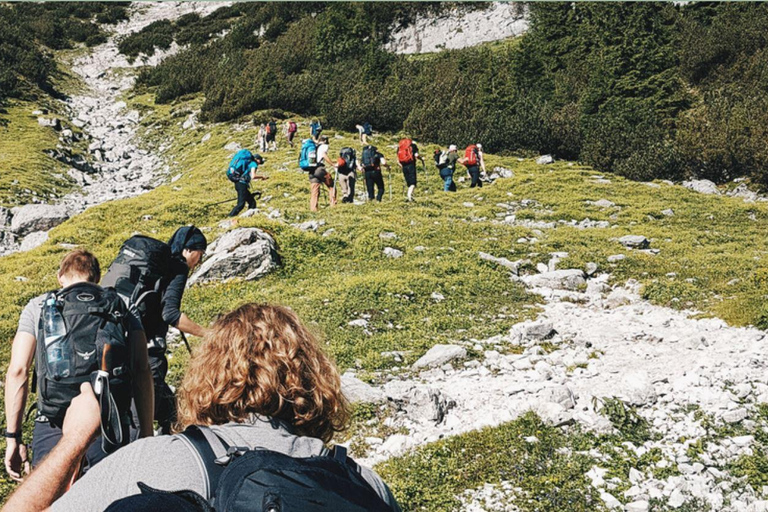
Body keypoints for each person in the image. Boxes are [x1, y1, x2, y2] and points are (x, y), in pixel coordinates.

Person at [8, 304, 401, 512]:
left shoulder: (153, 460)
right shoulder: (364, 483)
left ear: (207, 374)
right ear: (315, 377)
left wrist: (76, 438)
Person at [3, 250, 154, 482]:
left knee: (50, 499)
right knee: (106, 498)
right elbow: (142, 368)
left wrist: (13, 437)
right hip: (107, 422)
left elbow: (18, 371)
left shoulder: (39, 306)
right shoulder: (121, 304)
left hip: (53, 421)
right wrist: (146, 432)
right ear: (96, 278)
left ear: (60, 277)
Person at [227, 151, 268, 218]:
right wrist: (262, 177)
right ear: (257, 160)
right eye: (260, 161)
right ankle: (230, 217)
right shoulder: (253, 164)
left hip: (239, 183)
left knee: (252, 202)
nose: (259, 164)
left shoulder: (247, 163)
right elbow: (253, 176)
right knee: (241, 204)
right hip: (242, 184)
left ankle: (250, 217)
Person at [309, 135, 337, 212]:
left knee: (315, 190)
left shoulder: (314, 146)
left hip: (311, 170)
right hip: (319, 169)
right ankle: (333, 205)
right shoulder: (324, 146)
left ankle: (313, 209)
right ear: (325, 140)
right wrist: (332, 164)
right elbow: (324, 155)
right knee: (331, 185)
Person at [397, 137, 425, 202]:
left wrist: (402, 165)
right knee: (413, 182)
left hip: (404, 166)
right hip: (411, 165)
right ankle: (409, 195)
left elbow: (398, 160)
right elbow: (416, 155)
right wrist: (421, 159)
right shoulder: (413, 146)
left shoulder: (400, 147)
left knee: (408, 182)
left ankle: (410, 195)